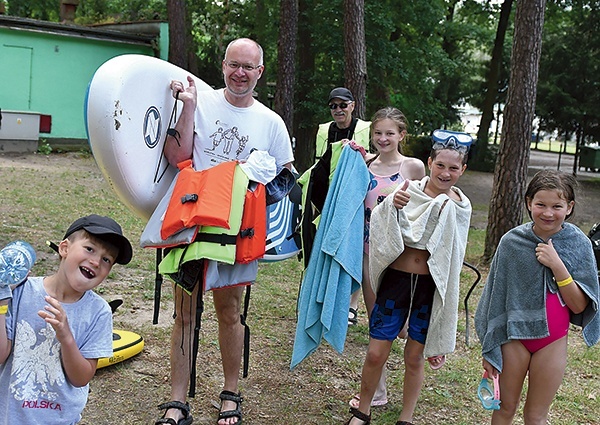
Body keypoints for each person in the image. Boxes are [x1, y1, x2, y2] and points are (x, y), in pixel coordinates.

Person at [158, 38, 294, 425]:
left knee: (229, 312)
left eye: (248, 67)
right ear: (223, 65)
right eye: (234, 64)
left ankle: (231, 393)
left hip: (235, 232)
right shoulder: (199, 99)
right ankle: (176, 400)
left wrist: (252, 192)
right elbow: (177, 156)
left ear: (260, 72)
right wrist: (186, 107)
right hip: (191, 222)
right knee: (184, 313)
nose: (240, 73)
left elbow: (286, 177)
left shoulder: (271, 122)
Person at [345, 133, 472, 425]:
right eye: (440, 165)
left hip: (429, 289)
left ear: (462, 170)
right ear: (430, 163)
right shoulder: (408, 191)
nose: (446, 173)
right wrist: (393, 205)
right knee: (377, 352)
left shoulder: (459, 206)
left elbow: (453, 254)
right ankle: (362, 411)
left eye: (454, 168)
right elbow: (380, 221)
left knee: (414, 357)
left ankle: (407, 418)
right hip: (396, 283)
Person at [475, 170, 599, 424]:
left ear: (569, 207)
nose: (548, 213)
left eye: (557, 206)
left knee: (536, 415)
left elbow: (579, 304)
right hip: (514, 338)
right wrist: (490, 348)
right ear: (529, 202)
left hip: (552, 342)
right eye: (540, 204)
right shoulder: (512, 242)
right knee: (504, 408)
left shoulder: (578, 244)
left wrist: (557, 265)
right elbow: (494, 297)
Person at [0, 214, 133, 424]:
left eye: (107, 259)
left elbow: (81, 378)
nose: (96, 261)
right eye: (90, 249)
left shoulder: (98, 312)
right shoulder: (21, 292)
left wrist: (66, 337)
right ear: (64, 248)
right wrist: (1, 299)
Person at [348, 107, 425, 409]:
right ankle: (377, 392)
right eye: (378, 133)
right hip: (371, 255)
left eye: (389, 133)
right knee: (377, 323)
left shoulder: (413, 167)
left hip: (402, 257)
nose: (383, 138)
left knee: (402, 327)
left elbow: (427, 206)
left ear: (401, 135)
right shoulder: (364, 163)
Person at [315, 87, 371, 161]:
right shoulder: (323, 132)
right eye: (333, 106)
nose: (338, 110)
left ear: (352, 106)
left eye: (343, 105)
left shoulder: (367, 129)